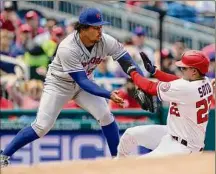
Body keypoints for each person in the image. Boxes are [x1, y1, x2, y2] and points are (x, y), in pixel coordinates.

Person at [0, 7, 144, 167]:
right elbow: (82, 81)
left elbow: (127, 61)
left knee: (106, 116)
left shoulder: (105, 40)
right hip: (59, 85)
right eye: (95, 27)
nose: (100, 31)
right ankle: (3, 156)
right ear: (82, 28)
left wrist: (142, 82)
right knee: (42, 127)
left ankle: (118, 161)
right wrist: (108, 94)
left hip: (85, 83)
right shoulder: (68, 47)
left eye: (101, 26)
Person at [117, 50, 213, 157]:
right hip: (173, 133)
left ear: (194, 71)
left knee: (139, 166)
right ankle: (119, 163)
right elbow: (176, 81)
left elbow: (150, 87)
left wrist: (132, 72)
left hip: (183, 148)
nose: (181, 69)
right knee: (130, 134)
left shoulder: (186, 88)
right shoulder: (205, 81)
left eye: (184, 68)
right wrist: (155, 72)